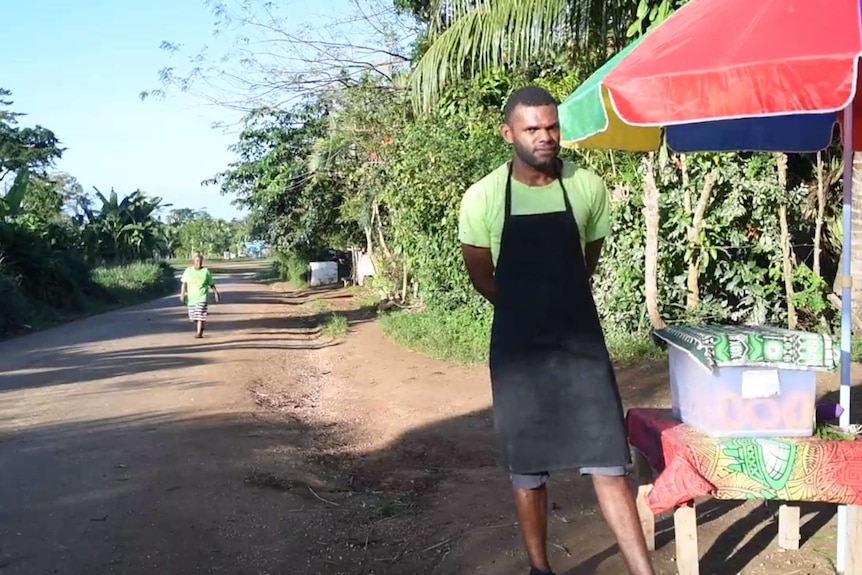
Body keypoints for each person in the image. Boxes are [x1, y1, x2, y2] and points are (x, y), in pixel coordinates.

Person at [457, 85, 655, 575]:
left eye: (552, 127)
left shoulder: (587, 186)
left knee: (610, 465)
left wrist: (557, 303)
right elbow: (482, 276)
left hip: (581, 347)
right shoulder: (482, 197)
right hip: (519, 353)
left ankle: (643, 571)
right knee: (527, 473)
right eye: (532, 129)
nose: (545, 137)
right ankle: (539, 568)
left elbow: (587, 259)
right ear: (509, 133)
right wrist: (528, 308)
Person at [179, 252, 219, 338]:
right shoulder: (188, 271)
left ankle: (199, 333)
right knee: (193, 317)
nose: (198, 263)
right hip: (191, 298)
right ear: (193, 262)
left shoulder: (205, 272)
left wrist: (216, 293)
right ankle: (201, 325)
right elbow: (184, 284)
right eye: (197, 261)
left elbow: (211, 284)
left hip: (202, 297)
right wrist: (182, 294)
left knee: (200, 313)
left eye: (200, 261)